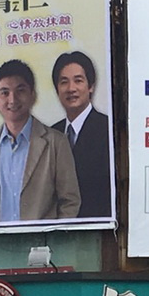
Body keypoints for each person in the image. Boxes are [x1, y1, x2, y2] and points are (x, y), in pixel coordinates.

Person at [0, 59, 81, 223]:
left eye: (20, 90)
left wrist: (54, 240)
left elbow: (70, 201)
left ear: (33, 95)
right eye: (5, 93)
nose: (12, 100)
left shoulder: (56, 143)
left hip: (41, 245)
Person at [49, 51, 113, 218]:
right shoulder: (50, 135)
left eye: (78, 81)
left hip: (95, 232)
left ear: (90, 86)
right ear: (57, 89)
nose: (71, 89)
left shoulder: (108, 130)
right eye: (64, 82)